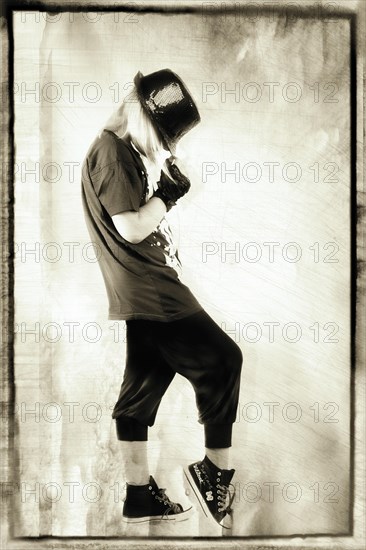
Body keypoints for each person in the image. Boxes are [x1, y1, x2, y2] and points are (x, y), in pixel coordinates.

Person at [81, 69, 243, 528]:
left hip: (140, 290)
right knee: (224, 359)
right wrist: (168, 196)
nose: (162, 147)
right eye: (161, 135)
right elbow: (130, 226)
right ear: (140, 110)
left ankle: (138, 496)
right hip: (153, 291)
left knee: (138, 395)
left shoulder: (114, 149)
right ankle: (213, 473)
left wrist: (160, 190)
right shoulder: (111, 153)